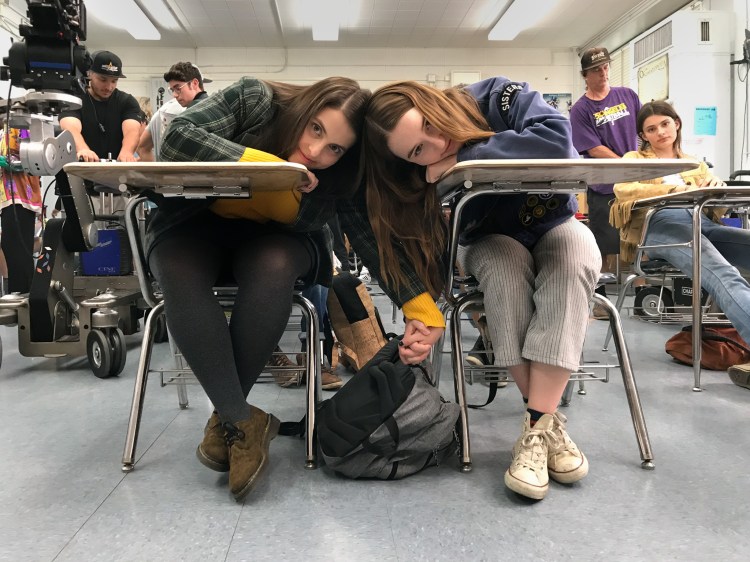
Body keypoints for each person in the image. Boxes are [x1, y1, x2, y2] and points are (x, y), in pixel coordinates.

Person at [359, 78, 601, 501]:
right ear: (410, 162)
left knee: (576, 256)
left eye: (432, 123)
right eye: (418, 150)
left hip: (555, 223)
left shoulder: (496, 97)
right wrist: (427, 312)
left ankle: (537, 425)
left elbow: (558, 141)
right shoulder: (415, 179)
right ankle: (547, 424)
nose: (438, 142)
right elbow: (425, 253)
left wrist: (464, 158)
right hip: (486, 242)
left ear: (434, 100)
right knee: (505, 270)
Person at [148, 76, 370, 501]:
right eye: (316, 129)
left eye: (335, 149)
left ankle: (227, 419)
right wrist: (273, 171)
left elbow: (364, 234)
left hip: (277, 241)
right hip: (191, 223)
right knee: (177, 269)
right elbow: (177, 139)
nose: (316, 152)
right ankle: (242, 419)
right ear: (306, 107)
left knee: (273, 264)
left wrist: (417, 304)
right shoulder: (255, 99)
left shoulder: (339, 175)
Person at [609, 100, 750, 390]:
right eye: (651, 129)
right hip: (661, 226)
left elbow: (716, 197)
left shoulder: (694, 162)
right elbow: (623, 189)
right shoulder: (634, 159)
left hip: (703, 223)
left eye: (665, 124)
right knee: (725, 274)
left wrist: (716, 188)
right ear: (643, 135)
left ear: (677, 123)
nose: (660, 132)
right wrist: (675, 188)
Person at [569, 47, 642, 318]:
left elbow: (643, 128)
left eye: (606, 67)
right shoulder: (581, 109)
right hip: (604, 186)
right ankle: (600, 302)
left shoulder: (627, 96)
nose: (603, 73)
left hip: (635, 185)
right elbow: (593, 147)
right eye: (597, 70)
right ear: (585, 75)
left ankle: (641, 297)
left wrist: (640, 161)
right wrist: (626, 165)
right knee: (604, 246)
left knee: (637, 241)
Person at [59, 50, 141, 163]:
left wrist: (127, 152)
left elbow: (132, 130)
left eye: (114, 81)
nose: (109, 87)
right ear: (89, 74)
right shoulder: (75, 100)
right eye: (103, 80)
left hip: (117, 174)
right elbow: (70, 127)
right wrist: (83, 149)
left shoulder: (127, 102)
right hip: (79, 170)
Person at [137, 62, 210, 162]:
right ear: (195, 83)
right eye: (173, 89)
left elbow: (142, 147)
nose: (174, 95)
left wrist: (157, 174)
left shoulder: (163, 110)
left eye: (178, 88)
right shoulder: (196, 111)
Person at [1, 126, 42, 293]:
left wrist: (8, 162)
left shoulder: (17, 127)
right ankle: (16, 298)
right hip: (6, 199)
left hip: (19, 198)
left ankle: (23, 303)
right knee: (9, 249)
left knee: (18, 254)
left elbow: (31, 160)